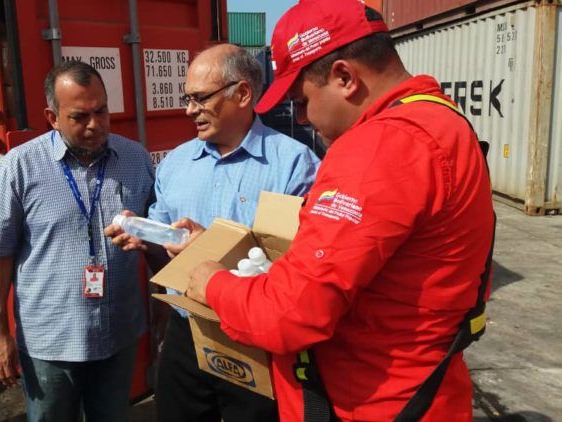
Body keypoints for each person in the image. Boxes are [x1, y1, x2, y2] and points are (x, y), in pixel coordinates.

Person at [185, 1, 495, 421]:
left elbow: (290, 315)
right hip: (424, 390)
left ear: (345, 77)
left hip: (368, 402)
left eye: (300, 100)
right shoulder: (442, 120)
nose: (302, 118)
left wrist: (212, 283)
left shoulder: (377, 148)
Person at [107, 44, 320, 422]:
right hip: (185, 332)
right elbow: (165, 252)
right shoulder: (176, 163)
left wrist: (217, 249)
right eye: (188, 98)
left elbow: (303, 266)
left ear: (242, 94)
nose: (190, 110)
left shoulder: (295, 164)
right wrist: (148, 241)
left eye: (201, 98)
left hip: (255, 339)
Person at [0, 61, 154, 422]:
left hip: (118, 335)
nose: (94, 125)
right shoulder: (19, 168)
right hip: (51, 343)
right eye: (79, 116)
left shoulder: (135, 159)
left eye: (101, 111)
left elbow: (156, 240)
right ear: (52, 117)